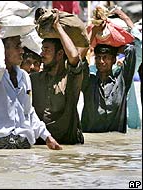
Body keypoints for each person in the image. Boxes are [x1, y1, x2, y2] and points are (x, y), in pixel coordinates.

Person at [0, 14, 62, 150]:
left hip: (23, 141)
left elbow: (28, 112)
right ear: (3, 49)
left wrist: (47, 137)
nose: (22, 51)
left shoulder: (24, 76)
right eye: (17, 46)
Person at [30, 9, 86, 145]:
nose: (42, 54)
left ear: (60, 54)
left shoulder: (71, 79)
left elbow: (74, 57)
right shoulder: (34, 79)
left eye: (46, 50)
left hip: (68, 145)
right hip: (41, 145)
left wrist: (58, 27)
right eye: (42, 50)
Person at [81, 36, 136, 132]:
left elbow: (131, 50)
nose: (101, 61)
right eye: (98, 57)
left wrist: (114, 46)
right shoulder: (88, 82)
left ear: (114, 60)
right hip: (92, 142)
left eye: (105, 57)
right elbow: (80, 61)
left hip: (116, 143)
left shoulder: (122, 81)